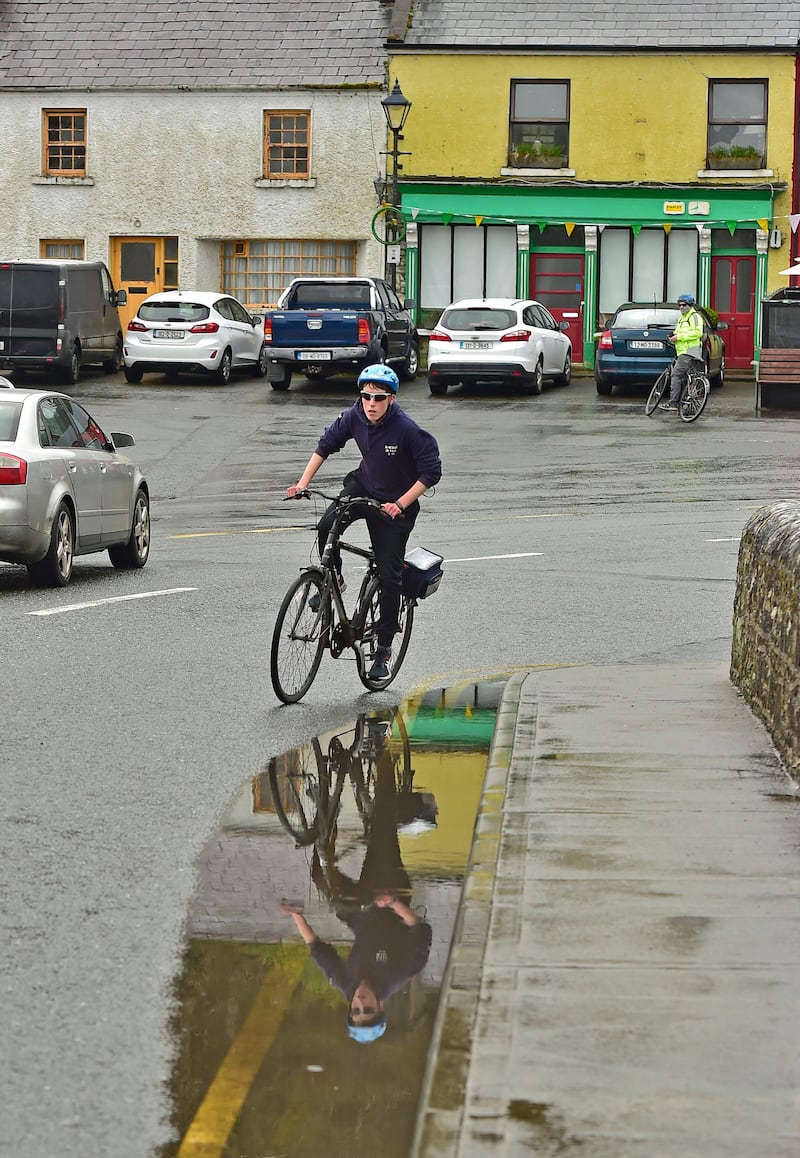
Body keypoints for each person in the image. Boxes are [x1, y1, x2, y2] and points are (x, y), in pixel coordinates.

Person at [286, 363, 442, 681]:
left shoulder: (407, 430)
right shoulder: (354, 415)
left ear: (392, 399)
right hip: (364, 487)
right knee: (325, 525)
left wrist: (400, 504)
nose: (371, 404)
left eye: (379, 398)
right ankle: (335, 578)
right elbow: (325, 445)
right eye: (366, 396)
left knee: (389, 579)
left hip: (396, 505)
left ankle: (383, 649)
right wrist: (302, 483)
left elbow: (431, 472)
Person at [280, 895, 432, 1044]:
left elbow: (316, 948)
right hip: (391, 909)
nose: (360, 1002)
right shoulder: (397, 975)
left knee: (337, 899)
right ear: (380, 1006)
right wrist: (393, 902)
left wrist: (296, 914)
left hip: (360, 919)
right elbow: (419, 927)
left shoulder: (345, 984)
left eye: (356, 1010)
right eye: (368, 1009)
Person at [659, 293, 706, 412]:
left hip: (690, 351)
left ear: (690, 305)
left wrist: (679, 337)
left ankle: (673, 403)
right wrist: (673, 337)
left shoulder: (694, 317)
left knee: (676, 375)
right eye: (679, 305)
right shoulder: (682, 318)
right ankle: (686, 403)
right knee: (684, 378)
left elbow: (698, 333)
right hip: (682, 351)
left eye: (684, 305)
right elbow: (678, 333)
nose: (681, 307)